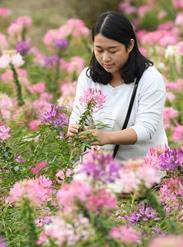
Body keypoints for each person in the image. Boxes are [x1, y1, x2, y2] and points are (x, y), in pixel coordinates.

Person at [67, 11, 169, 162]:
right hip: (100, 168)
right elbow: (79, 116)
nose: (105, 58)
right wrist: (75, 129)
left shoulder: (149, 78)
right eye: (99, 50)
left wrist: (107, 137)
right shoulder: (88, 77)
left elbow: (146, 129)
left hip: (143, 167)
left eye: (113, 51)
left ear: (130, 45)